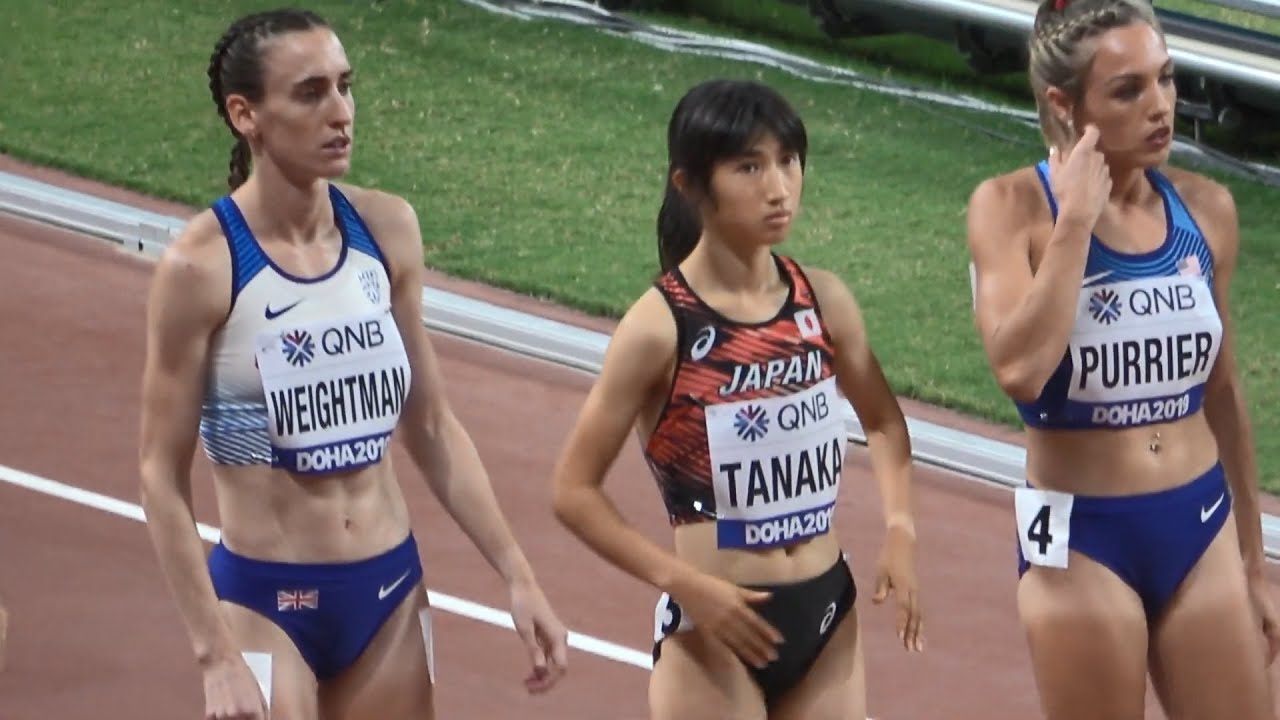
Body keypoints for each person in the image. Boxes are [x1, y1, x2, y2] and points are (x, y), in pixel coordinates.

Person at [137, 9, 569, 720]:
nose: (341, 112)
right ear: (246, 115)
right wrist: (214, 654)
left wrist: (518, 573)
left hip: (388, 592)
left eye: (345, 85)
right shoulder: (201, 267)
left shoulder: (386, 230)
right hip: (264, 601)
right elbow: (160, 472)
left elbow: (430, 424)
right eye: (310, 93)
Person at [551, 78, 923, 720]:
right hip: (713, 632)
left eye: (788, 160)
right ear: (690, 184)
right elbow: (572, 491)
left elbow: (884, 422)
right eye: (749, 167)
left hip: (827, 616)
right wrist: (683, 583)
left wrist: (900, 528)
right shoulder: (659, 328)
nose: (779, 187)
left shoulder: (824, 302)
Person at [965, 0, 1280, 717]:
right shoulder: (1009, 209)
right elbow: (1020, 370)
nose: (1161, 106)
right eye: (1128, 90)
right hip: (1084, 540)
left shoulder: (1206, 210)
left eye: (1165, 78)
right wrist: (1076, 220)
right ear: (1063, 104)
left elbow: (1223, 392)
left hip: (1200, 520)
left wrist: (1254, 564)